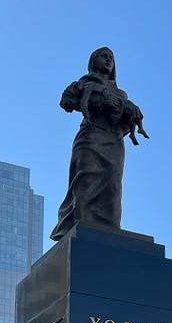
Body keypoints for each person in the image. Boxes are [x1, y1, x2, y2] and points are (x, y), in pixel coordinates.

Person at [51, 47, 148, 242]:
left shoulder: (121, 93)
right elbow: (66, 101)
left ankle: (109, 226)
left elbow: (128, 120)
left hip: (115, 141)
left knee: (112, 183)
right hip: (91, 137)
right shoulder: (85, 83)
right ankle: (82, 223)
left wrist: (127, 110)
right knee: (85, 180)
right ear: (93, 61)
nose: (108, 60)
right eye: (104, 56)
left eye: (111, 58)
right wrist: (98, 99)